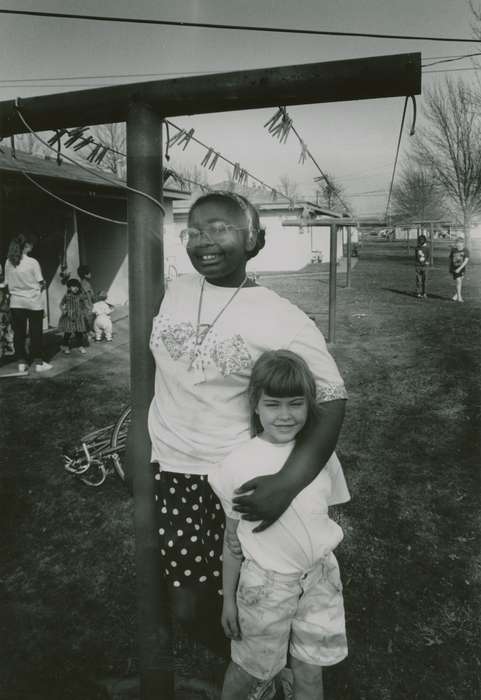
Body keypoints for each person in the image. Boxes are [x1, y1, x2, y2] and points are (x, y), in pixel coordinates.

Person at [148, 191, 347, 658]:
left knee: (247, 598)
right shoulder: (173, 289)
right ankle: (246, 671)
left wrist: (288, 483)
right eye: (194, 231)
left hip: (237, 481)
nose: (204, 241)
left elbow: (334, 397)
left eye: (219, 229)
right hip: (172, 473)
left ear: (254, 239)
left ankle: (255, 676)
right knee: (185, 603)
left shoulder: (281, 316)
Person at [209, 349, 349, 700]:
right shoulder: (238, 464)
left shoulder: (321, 456)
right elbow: (231, 541)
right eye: (273, 404)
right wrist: (228, 600)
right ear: (255, 404)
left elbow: (320, 517)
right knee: (250, 672)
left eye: (295, 404)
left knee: (310, 671)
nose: (285, 416)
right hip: (265, 588)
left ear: (310, 405)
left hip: (320, 579)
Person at [4, 233, 52, 373]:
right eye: (31, 244)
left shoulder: (9, 262)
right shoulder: (32, 262)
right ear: (26, 246)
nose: (33, 246)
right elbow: (41, 282)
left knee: (19, 333)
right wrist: (42, 284)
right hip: (33, 302)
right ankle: (38, 362)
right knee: (35, 332)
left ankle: (21, 362)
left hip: (16, 303)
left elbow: (6, 282)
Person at [58, 278, 90, 355]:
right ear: (69, 287)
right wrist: (63, 310)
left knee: (79, 333)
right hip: (69, 317)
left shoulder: (80, 295)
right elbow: (61, 304)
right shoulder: (67, 296)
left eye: (77, 287)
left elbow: (84, 304)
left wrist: (85, 311)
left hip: (78, 317)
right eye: (73, 286)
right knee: (67, 333)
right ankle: (65, 347)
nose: (75, 288)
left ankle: (80, 345)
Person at [0, 264, 15, 360]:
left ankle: (9, 348)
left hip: (5, 313)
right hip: (2, 313)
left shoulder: (4, 288)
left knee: (8, 332)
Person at [449, 237, 470, 302]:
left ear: (463, 243)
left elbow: (466, 261)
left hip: (462, 268)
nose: (458, 244)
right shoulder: (453, 250)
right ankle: (459, 297)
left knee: (460, 281)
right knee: (458, 281)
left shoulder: (466, 250)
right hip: (455, 269)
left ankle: (456, 295)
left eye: (460, 243)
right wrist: (450, 268)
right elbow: (450, 259)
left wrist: (460, 268)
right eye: (457, 243)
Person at [77, 264, 95, 334]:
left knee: (87, 318)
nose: (90, 274)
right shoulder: (85, 283)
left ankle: (88, 331)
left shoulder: (83, 282)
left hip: (85, 303)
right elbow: (88, 294)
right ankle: (89, 331)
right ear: (85, 275)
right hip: (87, 303)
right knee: (89, 318)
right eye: (89, 273)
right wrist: (91, 305)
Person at [414, 234, 430, 298]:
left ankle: (424, 293)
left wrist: (427, 262)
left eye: (421, 241)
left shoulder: (427, 248)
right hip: (418, 266)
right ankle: (418, 293)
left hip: (425, 267)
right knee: (418, 280)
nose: (419, 242)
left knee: (425, 280)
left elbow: (428, 256)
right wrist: (417, 263)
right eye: (419, 241)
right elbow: (416, 256)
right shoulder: (417, 248)